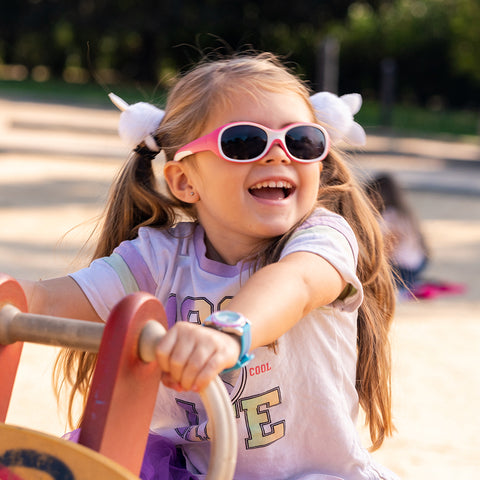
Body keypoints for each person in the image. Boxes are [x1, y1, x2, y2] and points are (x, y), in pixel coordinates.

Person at [18, 52, 399, 480]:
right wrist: (12, 295)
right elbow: (46, 299)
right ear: (185, 181)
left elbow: (297, 284)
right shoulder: (158, 258)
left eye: (301, 141)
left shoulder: (322, 239)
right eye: (243, 142)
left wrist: (230, 331)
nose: (278, 156)